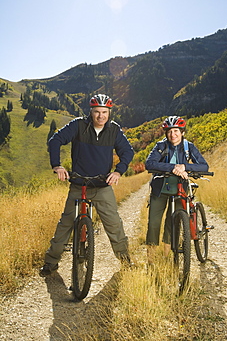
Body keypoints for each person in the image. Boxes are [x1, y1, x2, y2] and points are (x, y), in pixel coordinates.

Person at [40, 94, 134, 276]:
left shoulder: (114, 130)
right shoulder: (78, 125)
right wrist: (57, 165)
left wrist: (118, 171)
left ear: (109, 113)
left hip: (102, 186)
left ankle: (125, 260)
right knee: (65, 225)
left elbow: (128, 151)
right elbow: (55, 141)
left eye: (104, 112)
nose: (101, 116)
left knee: (114, 225)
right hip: (78, 184)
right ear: (90, 112)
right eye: (97, 112)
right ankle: (50, 263)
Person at [145, 116, 209, 263]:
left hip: (180, 188)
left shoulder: (189, 147)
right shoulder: (161, 146)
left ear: (182, 132)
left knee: (172, 223)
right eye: (169, 132)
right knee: (153, 223)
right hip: (160, 189)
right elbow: (149, 164)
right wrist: (173, 167)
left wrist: (185, 167)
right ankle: (151, 261)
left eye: (176, 131)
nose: (172, 135)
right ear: (166, 133)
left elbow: (204, 166)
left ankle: (166, 257)